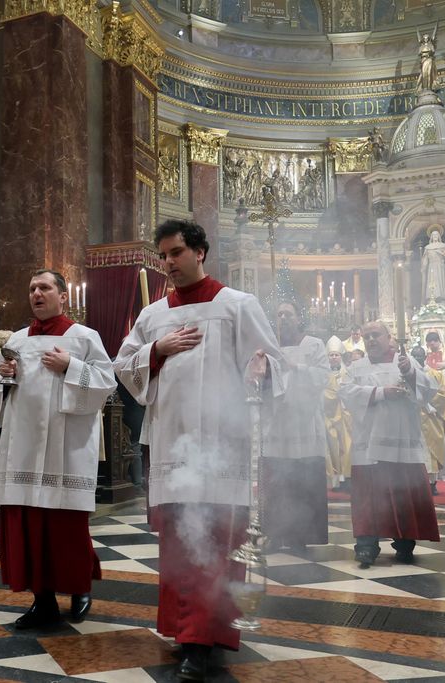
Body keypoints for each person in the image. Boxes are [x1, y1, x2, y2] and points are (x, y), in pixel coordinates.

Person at [114, 220, 282, 681]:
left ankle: (204, 640)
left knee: (218, 542)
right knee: (178, 543)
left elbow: (273, 362)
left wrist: (261, 370)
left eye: (176, 253)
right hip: (171, 445)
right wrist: (156, 351)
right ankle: (184, 631)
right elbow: (123, 367)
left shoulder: (237, 305)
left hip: (223, 447)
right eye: (163, 256)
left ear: (201, 252)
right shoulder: (152, 316)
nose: (168, 263)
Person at [0, 270, 116, 629]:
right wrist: (5, 375)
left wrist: (70, 365)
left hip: (66, 447)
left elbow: (107, 383)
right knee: (29, 523)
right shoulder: (18, 341)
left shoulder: (84, 337)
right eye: (31, 289)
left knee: (65, 526)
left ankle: (79, 588)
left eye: (44, 287)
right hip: (24, 446)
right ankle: (42, 601)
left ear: (63, 295)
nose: (36, 294)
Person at [339, 321, 440, 568]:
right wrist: (382, 393)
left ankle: (404, 543)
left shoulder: (405, 362)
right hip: (369, 443)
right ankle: (366, 546)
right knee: (368, 498)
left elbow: (429, 391)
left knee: (402, 493)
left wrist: (411, 373)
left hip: (401, 441)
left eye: (376, 335)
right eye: (367, 336)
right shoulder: (356, 367)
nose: (371, 340)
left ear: (389, 337)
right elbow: (346, 393)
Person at [263, 301, 330, 549]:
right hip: (277, 421)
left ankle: (302, 535)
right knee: (278, 479)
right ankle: (275, 533)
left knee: (303, 478)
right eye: (279, 314)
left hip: (305, 422)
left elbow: (324, 376)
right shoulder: (270, 347)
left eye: (288, 314)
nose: (283, 318)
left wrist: (297, 367)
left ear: (298, 317)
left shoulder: (314, 344)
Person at [410, 345, 445, 495]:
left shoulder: (436, 375)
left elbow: (443, 396)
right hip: (412, 420)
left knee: (432, 451)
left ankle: (432, 483)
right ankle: (415, 483)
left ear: (425, 357)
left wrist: (425, 402)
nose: (417, 359)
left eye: (419, 356)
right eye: (414, 356)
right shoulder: (406, 375)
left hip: (431, 418)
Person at [325, 336, 352, 491]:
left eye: (336, 355)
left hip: (346, 414)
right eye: (331, 355)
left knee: (347, 444)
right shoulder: (323, 373)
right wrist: (335, 393)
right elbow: (323, 394)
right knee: (333, 445)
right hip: (330, 414)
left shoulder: (347, 372)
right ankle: (335, 479)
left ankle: (347, 477)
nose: (334, 357)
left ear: (341, 357)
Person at [421, 231, 445, 302]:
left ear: (439, 236)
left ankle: (442, 297)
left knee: (441, 282)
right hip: (431, 267)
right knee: (432, 282)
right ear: (431, 237)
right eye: (433, 235)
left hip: (441, 267)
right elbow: (425, 260)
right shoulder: (428, 248)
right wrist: (423, 267)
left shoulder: (444, 246)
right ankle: (432, 298)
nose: (435, 236)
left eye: (436, 234)